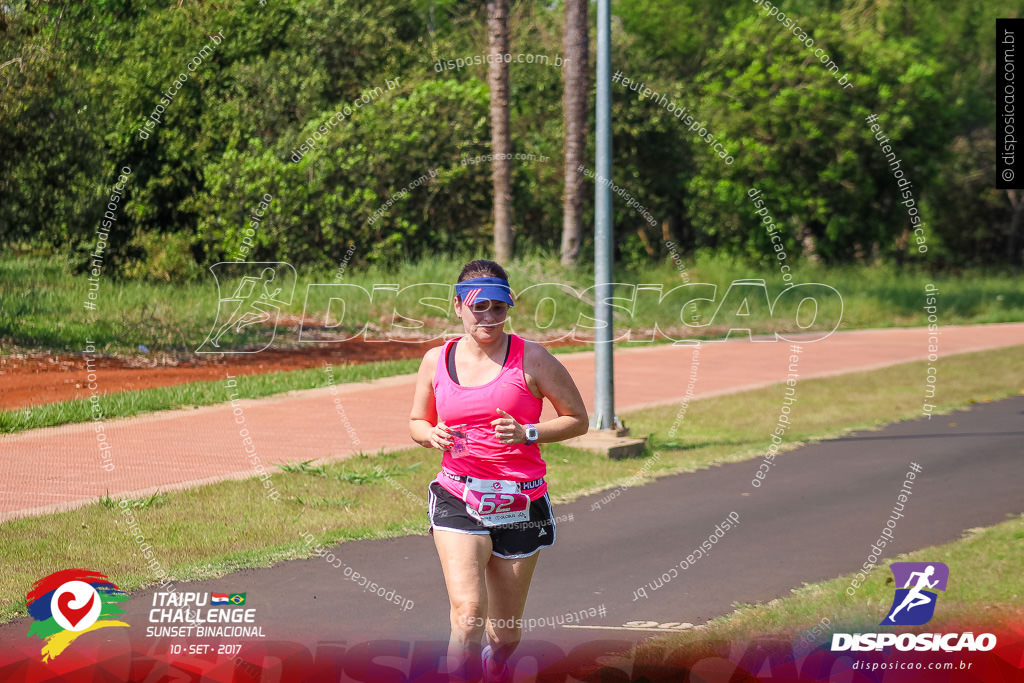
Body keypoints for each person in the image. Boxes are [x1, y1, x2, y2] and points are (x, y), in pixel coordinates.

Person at [409, 259, 589, 681]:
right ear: (457, 306)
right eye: (478, 307)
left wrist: (529, 432)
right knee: (469, 616)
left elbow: (577, 419)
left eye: (498, 308)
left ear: (509, 307)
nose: (488, 317)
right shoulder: (437, 359)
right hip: (459, 496)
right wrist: (429, 434)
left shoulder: (535, 359)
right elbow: (416, 421)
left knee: (504, 633)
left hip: (520, 500)